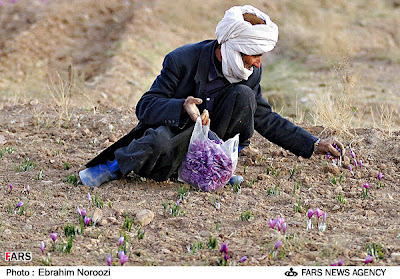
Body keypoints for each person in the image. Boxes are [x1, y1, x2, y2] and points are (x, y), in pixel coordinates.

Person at [79, 5, 344, 188]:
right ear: (233, 48)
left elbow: (263, 117)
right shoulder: (182, 60)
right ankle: (112, 168)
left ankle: (216, 170)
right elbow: (145, 107)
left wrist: (313, 143)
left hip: (211, 146)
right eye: (254, 55)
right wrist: (181, 107)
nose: (258, 64)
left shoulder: (248, 75)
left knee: (244, 97)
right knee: (158, 140)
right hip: (172, 139)